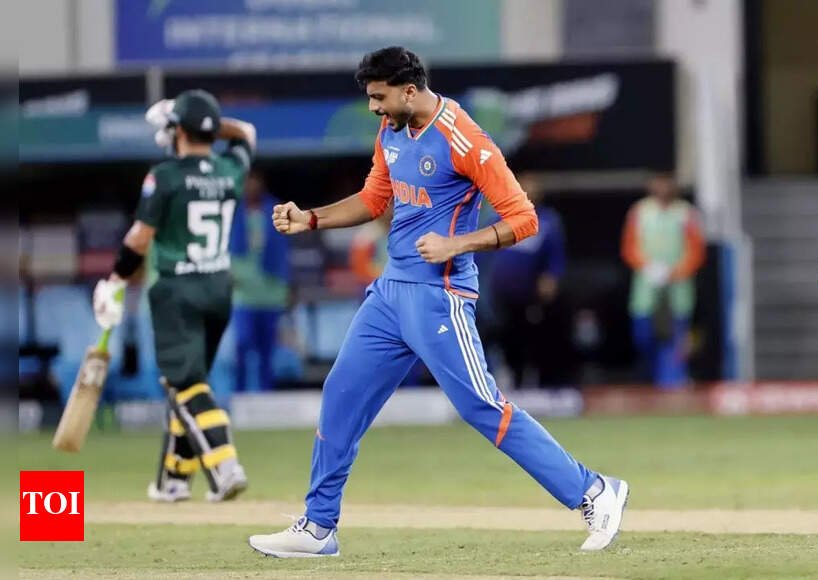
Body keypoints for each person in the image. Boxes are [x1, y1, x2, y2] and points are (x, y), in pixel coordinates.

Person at [247, 47, 628, 558]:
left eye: (379, 97)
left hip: (439, 297)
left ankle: (594, 491)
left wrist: (456, 244)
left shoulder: (464, 137)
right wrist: (311, 218)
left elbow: (524, 219)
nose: (373, 108)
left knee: (481, 406)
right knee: (341, 394)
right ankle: (318, 527)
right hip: (389, 294)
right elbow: (374, 199)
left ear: (409, 91)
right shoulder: (392, 130)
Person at [92, 90, 257, 503]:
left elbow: (139, 238)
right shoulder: (230, 169)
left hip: (176, 291)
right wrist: (200, 122)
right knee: (190, 384)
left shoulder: (164, 175)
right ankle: (173, 479)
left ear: (179, 130)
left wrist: (114, 280)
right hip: (218, 290)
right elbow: (246, 133)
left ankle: (225, 464)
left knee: (184, 382)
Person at [621, 174, 706, 389]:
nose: (662, 188)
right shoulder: (640, 211)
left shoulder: (685, 213)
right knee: (643, 335)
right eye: (658, 183)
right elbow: (629, 247)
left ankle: (673, 379)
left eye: (667, 183)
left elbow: (696, 250)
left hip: (678, 285)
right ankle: (650, 376)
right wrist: (648, 267)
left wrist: (675, 272)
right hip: (647, 284)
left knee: (677, 336)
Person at [485, 173, 569, 388]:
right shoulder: (500, 217)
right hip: (501, 291)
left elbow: (556, 255)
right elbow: (480, 249)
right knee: (504, 335)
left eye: (534, 190)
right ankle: (510, 376)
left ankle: (536, 380)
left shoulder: (548, 221)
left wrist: (551, 277)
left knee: (533, 336)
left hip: (530, 292)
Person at [230, 169, 291, 393]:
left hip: (270, 292)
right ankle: (239, 393)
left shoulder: (275, 211)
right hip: (242, 293)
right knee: (242, 344)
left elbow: (284, 254)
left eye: (254, 182)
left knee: (267, 349)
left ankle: (266, 395)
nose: (251, 187)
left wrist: (287, 287)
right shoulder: (233, 213)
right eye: (246, 182)